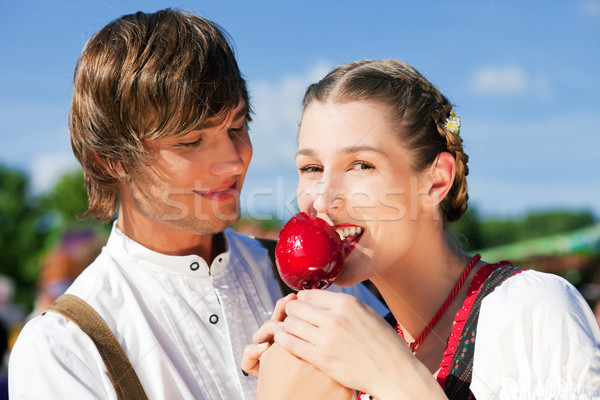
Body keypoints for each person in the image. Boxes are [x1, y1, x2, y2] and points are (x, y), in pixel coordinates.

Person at [8, 10, 385, 400]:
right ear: (111, 159)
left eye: (237, 127)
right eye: (190, 141)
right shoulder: (64, 350)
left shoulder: (317, 278)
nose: (235, 161)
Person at [242, 59, 600, 399]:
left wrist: (391, 375)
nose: (322, 200)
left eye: (361, 165)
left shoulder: (531, 310)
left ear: (435, 182)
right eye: (312, 168)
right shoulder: (357, 352)